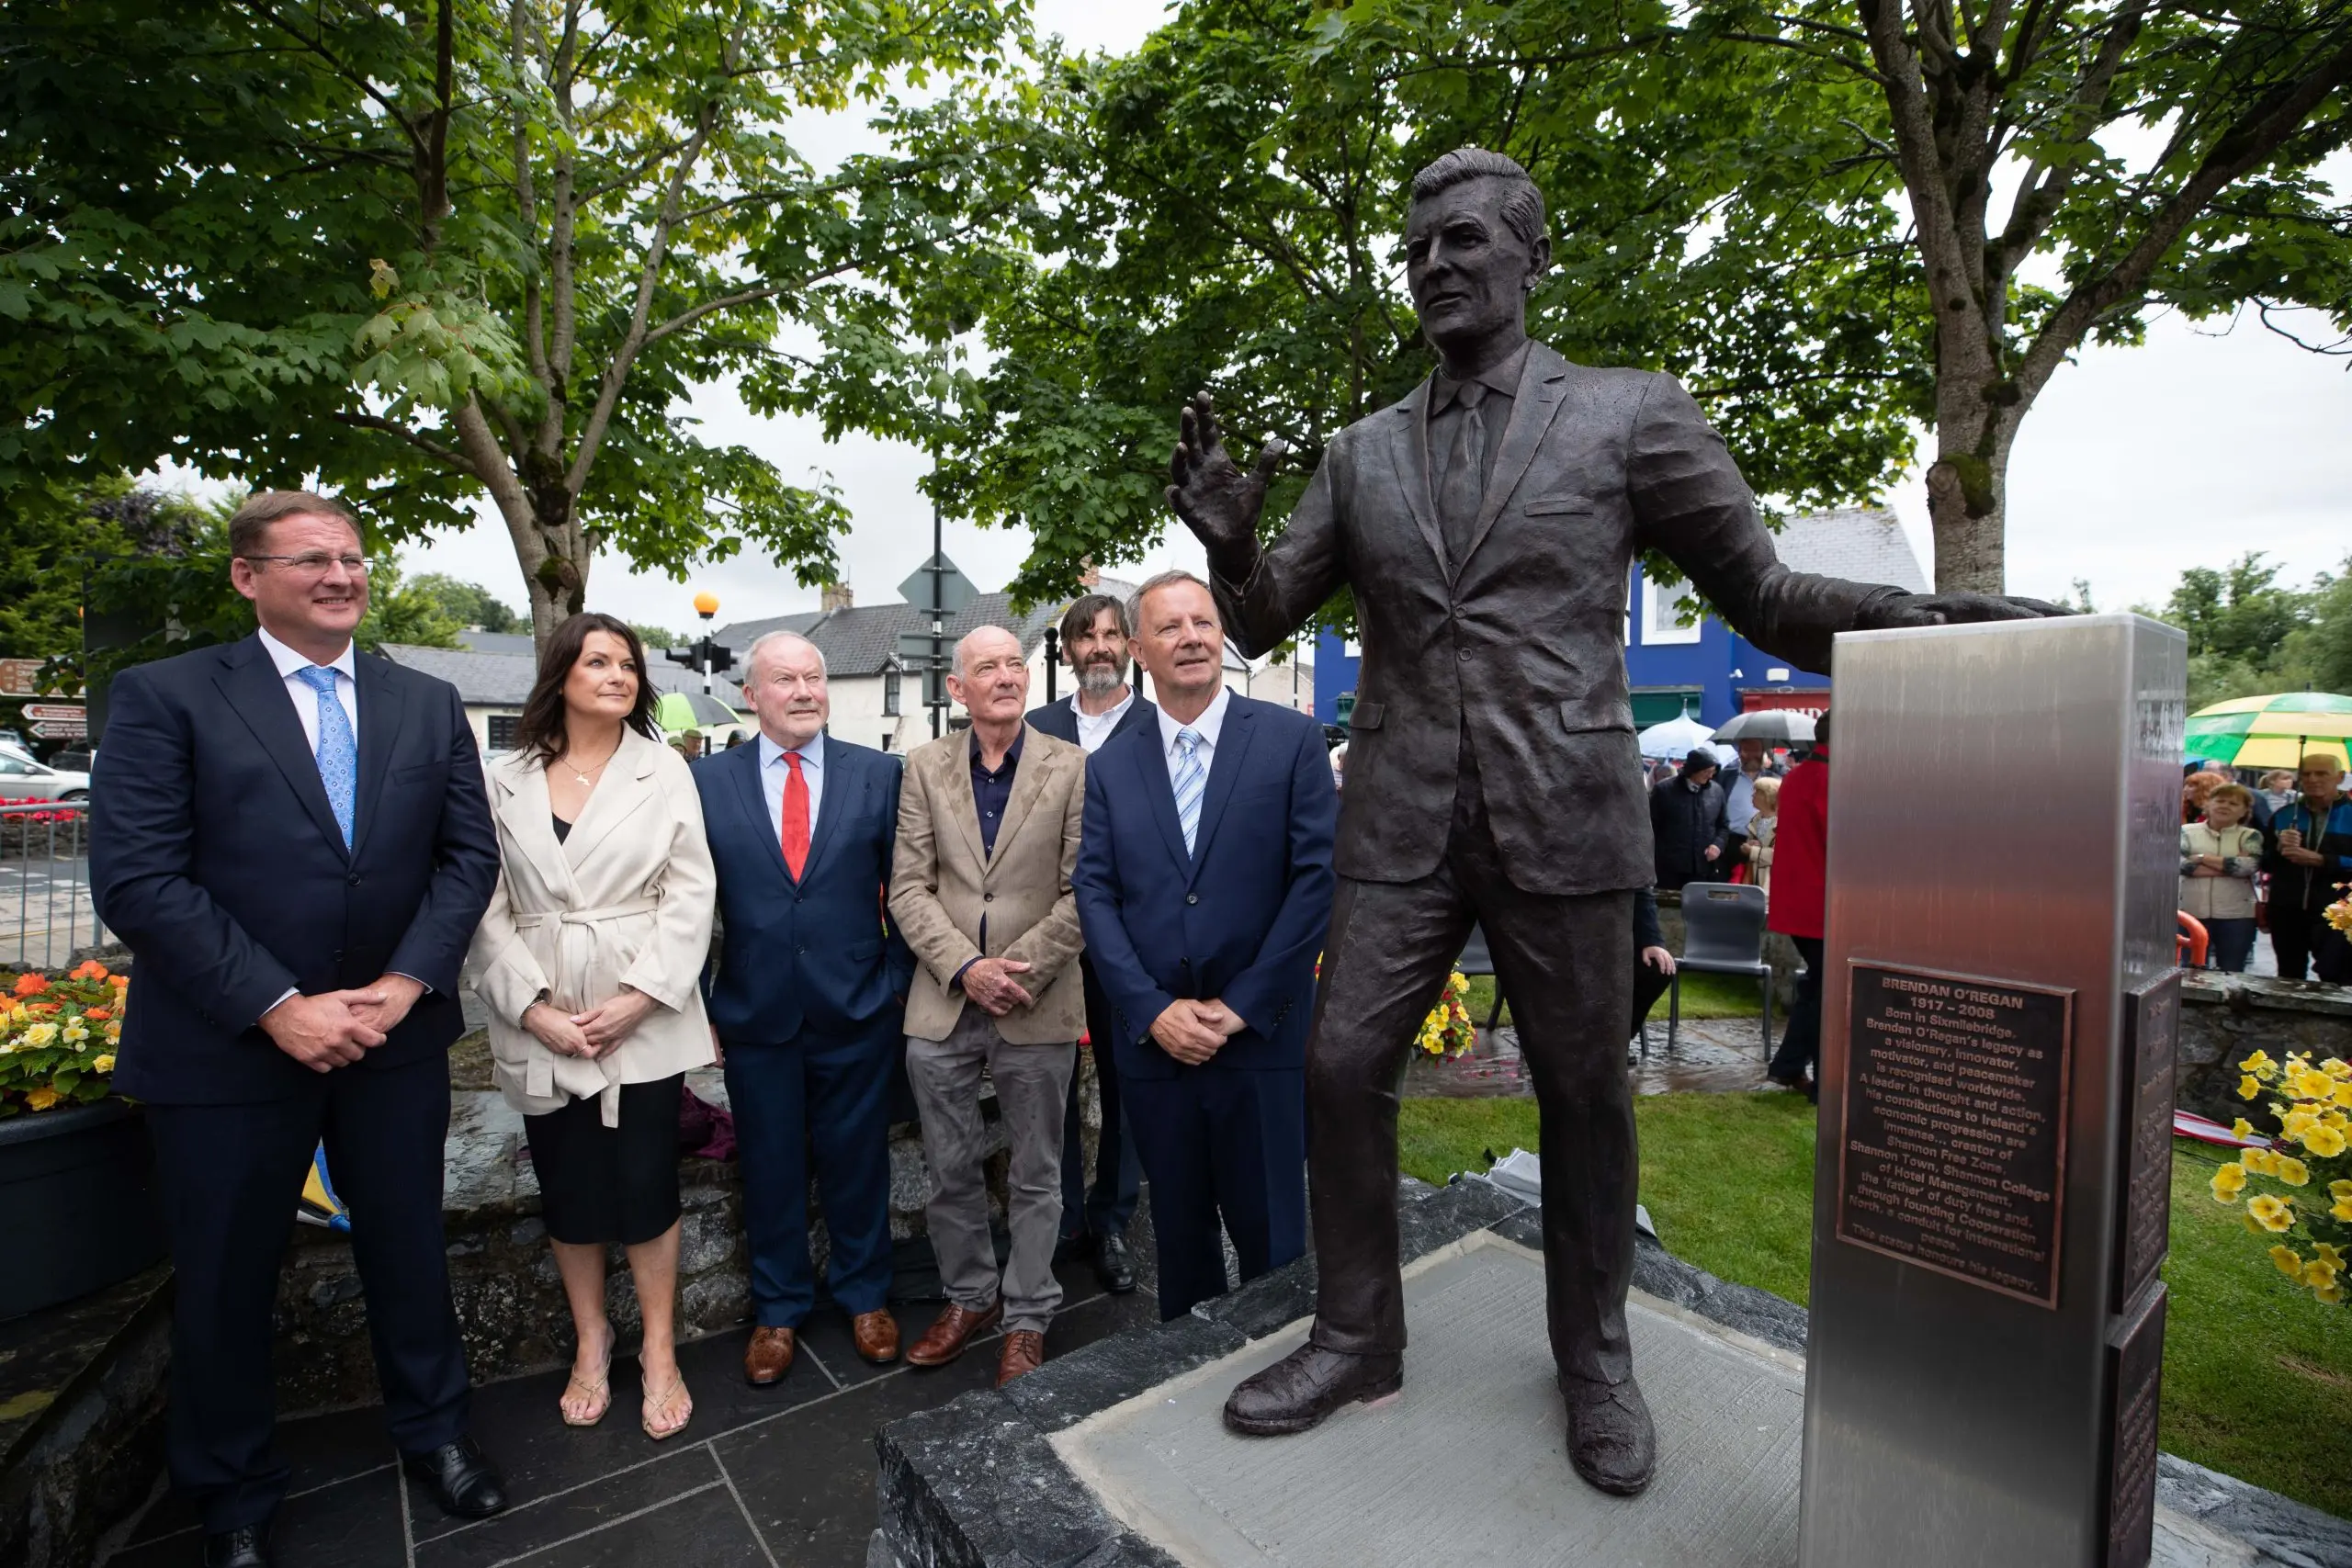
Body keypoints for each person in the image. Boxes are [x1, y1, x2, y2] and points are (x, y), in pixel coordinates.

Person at [1162, 146, 2056, 1495]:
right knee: (1341, 1068)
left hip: (1565, 813)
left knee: (1584, 1092)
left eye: (1463, 240)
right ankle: (1357, 1333)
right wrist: (1231, 544)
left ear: (1529, 254)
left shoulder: (1633, 416)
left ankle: (1592, 1354)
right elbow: (1270, 614)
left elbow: (1760, 589)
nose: (1435, 266)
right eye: (1417, 250)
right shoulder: (1360, 451)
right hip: (1403, 814)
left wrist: (1925, 619)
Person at [90, 491, 508, 1568]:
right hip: (228, 1048)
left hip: (393, 1039)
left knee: (412, 1251)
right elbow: (138, 878)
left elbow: (468, 860)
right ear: (246, 576)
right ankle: (230, 1494)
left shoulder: (425, 701)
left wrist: (411, 981)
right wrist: (276, 1005)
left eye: (354, 558)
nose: (340, 576)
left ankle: (438, 1434)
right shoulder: (164, 696)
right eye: (312, 559)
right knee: (226, 1277)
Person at [466, 615, 717, 1440]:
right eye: (597, 660)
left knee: (646, 1182)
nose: (617, 674)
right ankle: (590, 1339)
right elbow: (484, 904)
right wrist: (532, 1006)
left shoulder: (664, 771)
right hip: (540, 1008)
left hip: (639, 1013)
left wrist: (641, 996)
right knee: (568, 1184)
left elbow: (692, 894)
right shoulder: (502, 778)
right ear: (560, 674)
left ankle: (659, 1347)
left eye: (629, 664)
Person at [1072, 572, 1337, 1320]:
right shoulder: (1112, 765)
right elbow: (1095, 892)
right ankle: (1194, 1394)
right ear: (1137, 651)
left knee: (1275, 1247)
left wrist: (1242, 1006)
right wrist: (1151, 1011)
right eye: (1169, 627)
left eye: (1203, 621)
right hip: (1158, 1051)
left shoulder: (1289, 741)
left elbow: (1316, 881)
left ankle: (1284, 1371)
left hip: (1261, 1043)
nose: (1191, 636)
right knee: (1181, 1250)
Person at [694, 630, 916, 1385]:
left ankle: (864, 1295)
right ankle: (779, 1309)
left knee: (860, 1162)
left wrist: (892, 985)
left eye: (814, 677)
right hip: (755, 1014)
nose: (804, 691)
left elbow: (909, 891)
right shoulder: (706, 782)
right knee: (770, 1165)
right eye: (784, 679)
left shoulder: (879, 775)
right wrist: (701, 1008)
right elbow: (687, 905)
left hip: (858, 1009)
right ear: (751, 694)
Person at [890, 626, 1089, 1386]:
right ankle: (969, 1295)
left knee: (1038, 1169)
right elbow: (909, 886)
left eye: (1015, 664)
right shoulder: (924, 768)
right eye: (987, 667)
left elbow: (1083, 889)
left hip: (1035, 1001)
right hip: (943, 1002)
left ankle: (1029, 1314)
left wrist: (1020, 969)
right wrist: (966, 967)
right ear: (957, 688)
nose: (1006, 676)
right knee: (949, 1167)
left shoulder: (1071, 767)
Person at [1026, 593, 1156, 1297]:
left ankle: (1112, 1218)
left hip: (1131, 935)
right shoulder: (1038, 728)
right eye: (1086, 636)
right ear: (1068, 650)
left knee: (1124, 1081)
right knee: (1051, 1083)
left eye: (1111, 634)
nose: (1099, 646)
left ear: (1129, 646)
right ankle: (1066, 1215)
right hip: (1052, 931)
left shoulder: (1156, 725)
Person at [1766, 715, 1828, 1097]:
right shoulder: (1831, 779)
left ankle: (1794, 1067)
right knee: (1826, 993)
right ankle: (1798, 1068)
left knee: (1818, 989)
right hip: (1824, 904)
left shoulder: (1799, 776)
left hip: (1801, 903)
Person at [2263, 753, 2352, 983]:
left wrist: (2324, 861)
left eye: (2322, 773)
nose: (2313, 779)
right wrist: (2279, 849)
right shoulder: (2284, 815)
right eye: (2306, 773)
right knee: (2288, 977)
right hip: (2287, 908)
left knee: (2337, 976)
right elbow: (2264, 863)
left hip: (2338, 910)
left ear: (2340, 777)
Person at [2179, 783, 2263, 974]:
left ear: (2244, 811)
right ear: (2208, 805)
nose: (2225, 806)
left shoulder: (2250, 836)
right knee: (2191, 970)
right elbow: (2181, 865)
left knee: (2232, 970)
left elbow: (2249, 867)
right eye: (2220, 801)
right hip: (2192, 911)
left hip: (2237, 916)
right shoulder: (2187, 832)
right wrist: (2230, 867)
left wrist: (2201, 858)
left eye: (2233, 803)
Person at [1649, 750, 1729, 891]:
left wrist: (1718, 845)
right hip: (1670, 866)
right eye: (1706, 772)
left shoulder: (1717, 792)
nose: (1710, 776)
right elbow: (1651, 826)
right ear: (1693, 770)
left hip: (1703, 866)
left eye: (1712, 772)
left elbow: (1723, 825)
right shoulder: (1664, 790)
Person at [1629, 887, 1675, 1043]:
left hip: (1616, 938)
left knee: (1659, 967)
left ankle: (1618, 1040)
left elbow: (1641, 891)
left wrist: (1652, 941)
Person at [1723, 737, 1782, 843]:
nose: (1752, 756)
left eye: (1756, 750)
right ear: (1740, 753)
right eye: (1747, 750)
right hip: (1730, 842)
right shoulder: (1725, 777)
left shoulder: (1774, 780)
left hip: (1764, 843)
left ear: (1763, 753)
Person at [1741, 775, 1780, 893]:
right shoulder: (1756, 819)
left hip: (1773, 882)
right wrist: (1749, 845)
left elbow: (1781, 855)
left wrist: (1752, 851)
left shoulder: (1782, 823)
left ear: (1768, 796)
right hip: (1754, 879)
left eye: (1757, 792)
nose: (1752, 795)